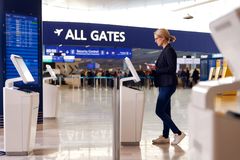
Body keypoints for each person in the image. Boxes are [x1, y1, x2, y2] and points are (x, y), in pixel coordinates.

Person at [147, 28, 185, 145]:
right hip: (164, 84)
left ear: (162, 38)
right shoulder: (165, 50)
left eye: (156, 38)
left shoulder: (169, 50)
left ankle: (178, 133)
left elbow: (171, 68)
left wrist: (156, 69)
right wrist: (154, 70)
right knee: (166, 112)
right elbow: (165, 68)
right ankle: (165, 136)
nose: (155, 41)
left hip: (168, 85)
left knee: (159, 111)